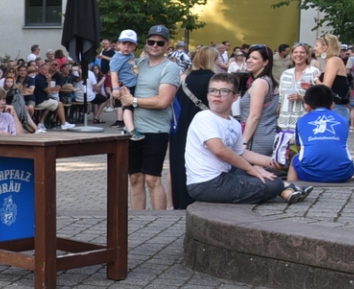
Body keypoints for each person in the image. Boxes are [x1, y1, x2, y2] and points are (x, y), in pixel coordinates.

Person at [185, 74, 309, 205]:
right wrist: (252, 169)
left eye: (224, 91)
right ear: (207, 95)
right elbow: (219, 150)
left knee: (264, 174)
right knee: (273, 183)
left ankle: (286, 191)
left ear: (235, 97)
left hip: (223, 176)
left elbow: (241, 153)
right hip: (206, 184)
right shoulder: (204, 117)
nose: (217, 95)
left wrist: (273, 161)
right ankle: (283, 188)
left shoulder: (234, 123)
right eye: (213, 90)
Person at [116, 25, 181, 211]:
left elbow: (163, 101)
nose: (155, 45)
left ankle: (158, 221)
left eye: (160, 42)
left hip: (156, 130)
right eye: (151, 41)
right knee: (135, 178)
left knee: (153, 178)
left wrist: (133, 100)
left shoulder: (170, 68)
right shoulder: (138, 64)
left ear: (167, 45)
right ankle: (138, 221)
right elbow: (118, 75)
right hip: (133, 128)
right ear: (145, 43)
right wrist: (119, 90)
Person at [170, 46, 219, 210]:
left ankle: (180, 203)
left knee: (180, 167)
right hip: (203, 130)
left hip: (181, 130)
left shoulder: (186, 79)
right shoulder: (214, 80)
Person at [290, 85, 354, 184]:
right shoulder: (343, 120)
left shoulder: (302, 121)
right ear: (332, 105)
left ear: (306, 105)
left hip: (310, 173)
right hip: (343, 173)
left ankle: (291, 187)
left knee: (295, 159)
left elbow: (300, 148)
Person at [108, 30, 140, 138]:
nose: (127, 47)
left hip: (134, 84)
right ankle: (131, 130)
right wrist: (116, 89)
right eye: (124, 44)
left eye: (130, 44)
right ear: (118, 44)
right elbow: (114, 74)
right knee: (127, 107)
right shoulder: (117, 58)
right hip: (126, 86)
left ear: (135, 46)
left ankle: (129, 127)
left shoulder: (131, 55)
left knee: (133, 107)